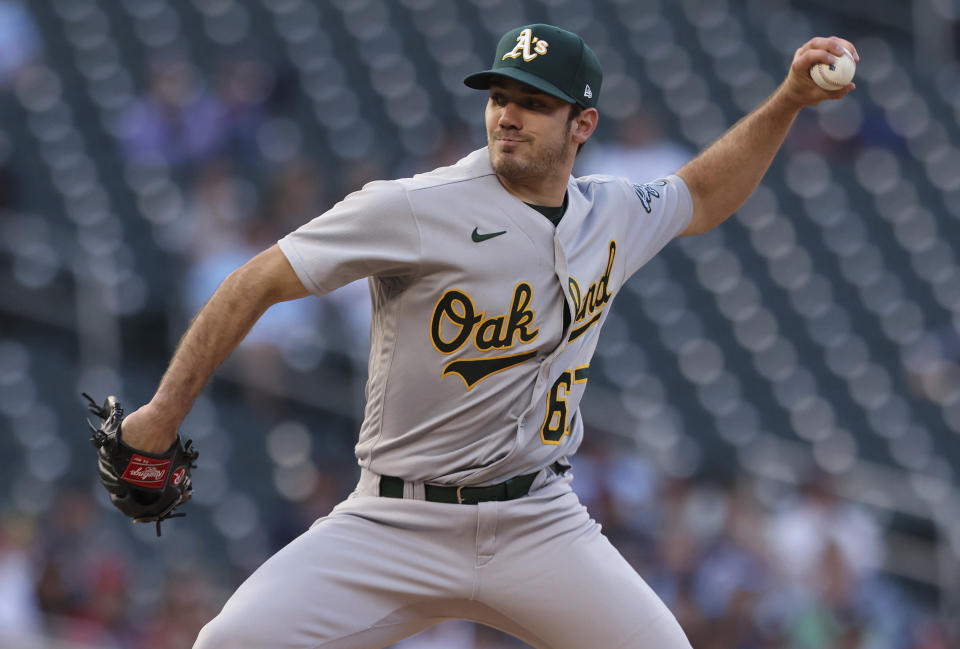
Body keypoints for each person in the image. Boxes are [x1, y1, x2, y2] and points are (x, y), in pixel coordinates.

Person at [116, 23, 858, 649]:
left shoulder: (613, 213)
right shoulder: (414, 207)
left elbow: (702, 193)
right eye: (500, 96)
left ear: (583, 124)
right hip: (396, 519)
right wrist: (163, 411)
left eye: (534, 104)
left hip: (539, 519)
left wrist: (789, 100)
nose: (508, 114)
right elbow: (256, 281)